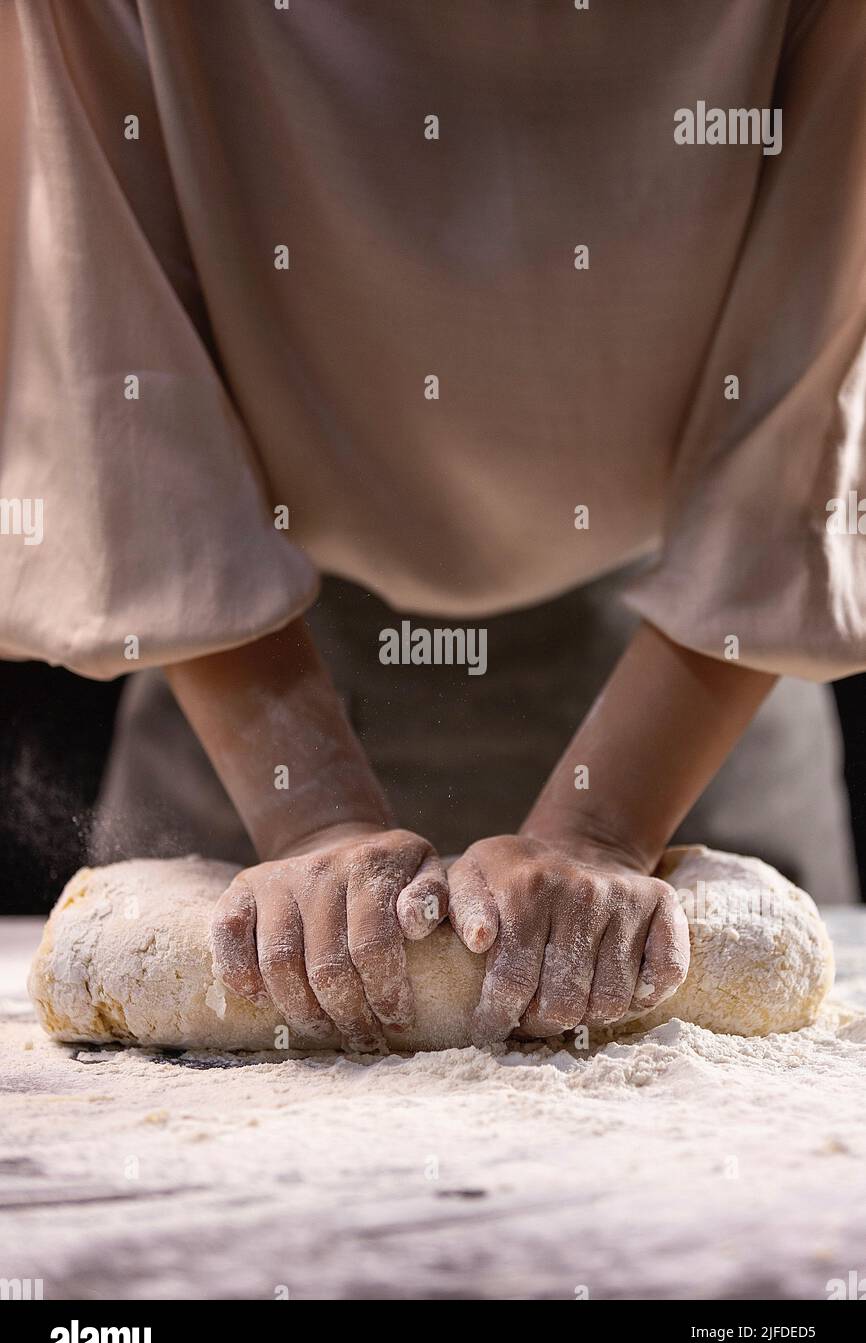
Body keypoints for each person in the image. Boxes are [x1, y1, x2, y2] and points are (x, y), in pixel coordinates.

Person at [1, 2, 863, 1050]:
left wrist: (608, 823)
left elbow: (813, 379)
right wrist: (309, 815)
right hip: (241, 668)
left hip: (696, 665)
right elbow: (112, 365)